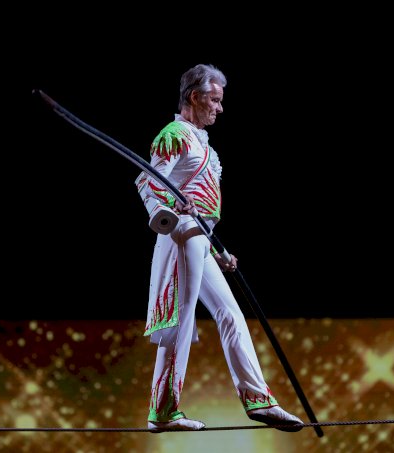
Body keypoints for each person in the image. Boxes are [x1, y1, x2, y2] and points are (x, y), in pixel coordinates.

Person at [134, 63, 304, 433]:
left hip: (199, 238)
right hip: (181, 235)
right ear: (195, 97)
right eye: (214, 100)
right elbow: (149, 182)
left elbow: (200, 206)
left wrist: (216, 252)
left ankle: (259, 400)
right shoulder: (174, 134)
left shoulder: (203, 144)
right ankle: (162, 411)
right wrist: (170, 206)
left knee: (231, 314)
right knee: (180, 323)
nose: (220, 107)